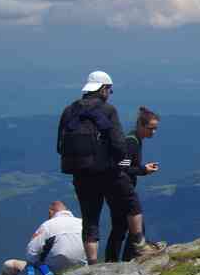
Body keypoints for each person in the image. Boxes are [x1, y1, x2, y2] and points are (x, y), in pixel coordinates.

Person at [57, 71, 148, 265]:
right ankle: (140, 246)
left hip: (80, 173)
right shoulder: (108, 110)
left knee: (90, 219)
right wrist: (121, 162)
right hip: (108, 171)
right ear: (104, 89)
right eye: (110, 90)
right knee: (132, 204)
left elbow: (59, 146)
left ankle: (92, 264)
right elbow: (118, 144)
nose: (110, 93)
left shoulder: (68, 111)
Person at [106, 107, 161, 262]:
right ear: (141, 125)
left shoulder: (134, 139)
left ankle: (112, 260)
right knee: (136, 224)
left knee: (119, 227)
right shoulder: (131, 142)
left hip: (112, 188)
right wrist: (144, 169)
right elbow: (123, 168)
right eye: (151, 128)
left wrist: (143, 169)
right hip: (121, 187)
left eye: (155, 129)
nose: (153, 132)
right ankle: (131, 257)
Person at [2, 201, 86, 275]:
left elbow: (31, 253)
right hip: (81, 270)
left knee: (9, 264)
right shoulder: (82, 223)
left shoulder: (47, 225)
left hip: (53, 273)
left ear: (51, 212)